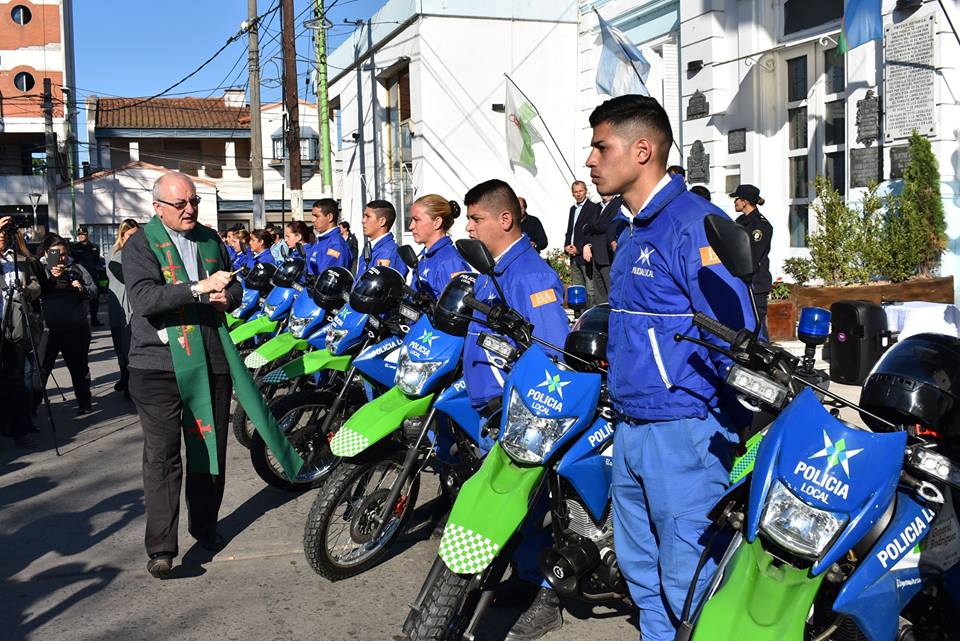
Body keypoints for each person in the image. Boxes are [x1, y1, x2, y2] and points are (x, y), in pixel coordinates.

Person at [586, 95, 755, 641]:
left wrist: (722, 421)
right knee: (642, 575)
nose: (590, 159)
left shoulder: (696, 225)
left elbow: (736, 339)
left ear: (641, 150)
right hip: (632, 427)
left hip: (683, 433)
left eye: (600, 146)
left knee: (689, 580)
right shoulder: (633, 227)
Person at [461, 179, 569, 641]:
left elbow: (551, 352)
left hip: (518, 414)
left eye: (475, 218)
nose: (468, 226)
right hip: (491, 408)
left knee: (532, 508)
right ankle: (524, 577)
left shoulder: (531, 275)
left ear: (504, 220)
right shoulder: (494, 267)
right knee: (512, 509)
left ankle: (547, 596)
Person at [124, 171, 243, 579]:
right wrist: (196, 287)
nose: (190, 209)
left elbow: (233, 284)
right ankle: (161, 546)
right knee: (162, 456)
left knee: (209, 450)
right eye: (181, 204)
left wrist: (228, 295)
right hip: (157, 366)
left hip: (209, 359)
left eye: (194, 201)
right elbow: (143, 299)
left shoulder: (211, 239)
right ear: (157, 208)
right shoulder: (140, 244)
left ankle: (205, 524)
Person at [38, 234, 98, 415]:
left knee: (79, 368)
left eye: (63, 254)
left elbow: (93, 290)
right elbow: (33, 293)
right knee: (40, 371)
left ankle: (84, 403)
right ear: (46, 253)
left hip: (76, 328)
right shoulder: (40, 270)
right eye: (55, 254)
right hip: (48, 330)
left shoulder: (76, 268)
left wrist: (80, 288)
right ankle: (31, 408)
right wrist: (50, 280)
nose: (60, 258)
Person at [0, 216, 42, 447]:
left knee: (18, 378)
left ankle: (20, 427)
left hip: (16, 326)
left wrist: (28, 290)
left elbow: (36, 283)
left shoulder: (17, 260)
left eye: (4, 235)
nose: (2, 237)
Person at [407, 195, 470, 299]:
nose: (411, 226)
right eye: (411, 220)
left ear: (437, 222)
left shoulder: (450, 262)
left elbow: (452, 310)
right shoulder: (427, 256)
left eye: (417, 220)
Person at [730, 184, 772, 335]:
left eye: (737, 199)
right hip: (741, 280)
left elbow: (752, 255)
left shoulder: (761, 226)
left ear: (745, 201)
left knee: (757, 325)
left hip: (756, 282)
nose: (734, 202)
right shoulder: (740, 221)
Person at [107, 219, 141, 398]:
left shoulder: (139, 253)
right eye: (129, 236)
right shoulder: (115, 255)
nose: (133, 239)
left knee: (131, 348)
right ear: (121, 236)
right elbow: (125, 278)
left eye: (136, 235)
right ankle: (126, 380)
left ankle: (129, 382)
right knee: (122, 348)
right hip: (120, 308)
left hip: (135, 308)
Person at [563, 180, 600, 305]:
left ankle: (590, 317)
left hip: (585, 254)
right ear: (572, 193)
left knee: (590, 289)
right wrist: (566, 246)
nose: (578, 194)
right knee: (577, 289)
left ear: (586, 191)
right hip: (573, 256)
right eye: (575, 192)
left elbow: (591, 232)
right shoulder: (572, 209)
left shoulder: (593, 208)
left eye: (580, 191)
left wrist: (579, 248)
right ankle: (579, 317)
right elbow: (570, 230)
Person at [581, 193, 622, 305]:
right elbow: (586, 228)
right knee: (599, 293)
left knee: (611, 290)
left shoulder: (618, 203)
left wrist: (590, 227)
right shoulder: (597, 207)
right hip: (596, 254)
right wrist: (587, 244)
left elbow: (608, 225)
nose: (605, 195)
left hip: (607, 255)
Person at [358, 200, 408, 278]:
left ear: (382, 221)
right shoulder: (368, 248)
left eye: (368, 216)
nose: (363, 221)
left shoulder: (392, 252)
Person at [306, 199, 352, 275]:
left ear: (329, 217)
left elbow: (328, 280)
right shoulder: (321, 241)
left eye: (316, 216)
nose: (313, 220)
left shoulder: (336, 245)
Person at [71, 226, 103, 326]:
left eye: (83, 234)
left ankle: (94, 319)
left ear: (87, 235)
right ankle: (81, 320)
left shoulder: (94, 247)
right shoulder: (75, 247)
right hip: (80, 275)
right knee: (80, 298)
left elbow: (97, 261)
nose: (81, 236)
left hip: (92, 275)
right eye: (79, 235)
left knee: (94, 298)